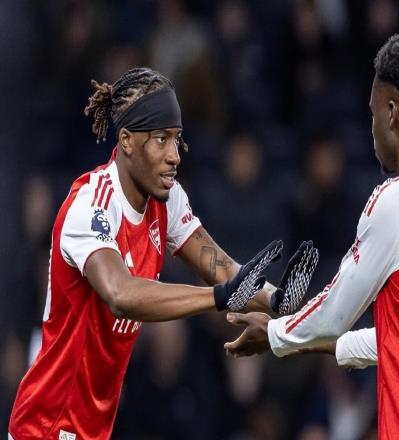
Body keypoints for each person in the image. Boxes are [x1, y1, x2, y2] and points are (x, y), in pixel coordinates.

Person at [8, 67, 319, 440]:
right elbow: (121, 295)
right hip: (46, 425)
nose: (174, 156)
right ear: (127, 141)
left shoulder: (167, 199)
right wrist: (219, 297)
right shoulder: (92, 205)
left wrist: (278, 299)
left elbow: (225, 270)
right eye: (161, 139)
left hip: (94, 426)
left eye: (177, 139)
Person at [225, 33, 399, 440]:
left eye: (373, 113)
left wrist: (274, 334)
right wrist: (307, 343)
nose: (372, 129)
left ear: (391, 111)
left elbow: (333, 314)